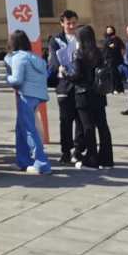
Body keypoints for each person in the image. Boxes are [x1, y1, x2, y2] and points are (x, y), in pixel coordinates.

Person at [4, 31, 51, 175]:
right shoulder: (36, 58)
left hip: (26, 96)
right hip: (37, 96)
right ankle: (23, 161)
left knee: (29, 130)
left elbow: (17, 80)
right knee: (21, 128)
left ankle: (41, 163)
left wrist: (7, 78)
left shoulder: (18, 57)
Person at [72, 25, 114, 170]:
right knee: (102, 125)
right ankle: (107, 159)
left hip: (83, 94)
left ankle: (92, 158)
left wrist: (64, 73)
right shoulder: (99, 52)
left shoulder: (78, 53)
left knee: (88, 126)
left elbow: (77, 75)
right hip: (98, 93)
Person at [48, 10, 85, 164]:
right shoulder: (56, 39)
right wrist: (59, 68)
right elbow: (53, 59)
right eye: (68, 23)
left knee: (80, 119)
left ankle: (78, 150)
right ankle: (65, 151)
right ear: (62, 23)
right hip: (64, 84)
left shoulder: (80, 38)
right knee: (65, 120)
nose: (71, 26)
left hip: (79, 83)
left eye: (74, 23)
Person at [102, 26, 126, 95]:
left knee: (114, 74)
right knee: (113, 74)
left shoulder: (115, 38)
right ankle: (117, 88)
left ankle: (115, 89)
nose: (109, 31)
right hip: (108, 59)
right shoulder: (106, 38)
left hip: (114, 59)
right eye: (108, 30)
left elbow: (121, 47)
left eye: (110, 30)